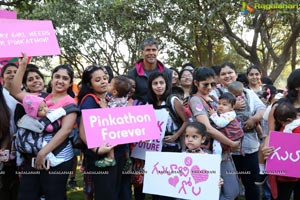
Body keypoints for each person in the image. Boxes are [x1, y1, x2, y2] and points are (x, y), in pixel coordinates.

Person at [11, 54, 78, 200]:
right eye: (57, 76)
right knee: (27, 195)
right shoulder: (41, 99)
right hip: (34, 158)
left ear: (70, 82)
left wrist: (43, 153)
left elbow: (65, 131)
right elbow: (15, 91)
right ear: (52, 78)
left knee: (54, 195)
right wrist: (22, 66)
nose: (60, 81)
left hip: (58, 158)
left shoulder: (70, 102)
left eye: (65, 78)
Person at [189, 66, 240, 200]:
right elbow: (207, 128)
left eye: (212, 84)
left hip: (223, 151)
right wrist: (231, 143)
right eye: (205, 84)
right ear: (196, 83)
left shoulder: (212, 96)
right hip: (208, 152)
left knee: (233, 191)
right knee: (212, 193)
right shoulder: (195, 100)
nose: (210, 87)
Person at [217, 62, 265, 200]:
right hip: (226, 150)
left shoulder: (248, 92)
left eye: (230, 72)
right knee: (228, 186)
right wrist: (231, 106)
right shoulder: (215, 93)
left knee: (251, 183)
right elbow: (212, 116)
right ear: (219, 77)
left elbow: (262, 109)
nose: (227, 76)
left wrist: (253, 119)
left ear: (236, 74)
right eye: (223, 74)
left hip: (249, 148)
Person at [78, 65, 126, 200]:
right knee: (105, 194)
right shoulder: (89, 100)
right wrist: (97, 150)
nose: (104, 81)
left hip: (118, 153)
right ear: (90, 84)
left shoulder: (111, 98)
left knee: (114, 192)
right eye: (98, 80)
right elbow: (83, 131)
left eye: (105, 78)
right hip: (101, 156)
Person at [148, 72, 188, 200]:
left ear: (167, 84)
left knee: (170, 189)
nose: (159, 86)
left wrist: (176, 135)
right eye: (155, 83)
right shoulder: (150, 102)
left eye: (161, 83)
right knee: (156, 189)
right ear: (151, 86)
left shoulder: (173, 100)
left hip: (172, 148)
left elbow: (186, 120)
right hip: (155, 149)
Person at [262, 69, 300, 200]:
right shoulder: (279, 106)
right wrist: (266, 149)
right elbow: (270, 134)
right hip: (285, 163)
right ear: (297, 86)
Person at [94, 75, 131, 168]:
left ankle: (111, 159)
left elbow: (110, 116)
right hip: (121, 129)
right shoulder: (122, 98)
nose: (108, 84)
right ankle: (127, 158)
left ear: (114, 92)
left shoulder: (116, 103)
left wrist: (104, 107)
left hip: (114, 128)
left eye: (110, 85)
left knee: (109, 141)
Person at [21, 94, 66, 167]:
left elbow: (41, 104)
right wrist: (58, 122)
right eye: (40, 110)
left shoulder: (41, 108)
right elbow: (50, 129)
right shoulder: (38, 120)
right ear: (34, 113)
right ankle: (53, 161)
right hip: (36, 138)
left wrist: (48, 103)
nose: (45, 109)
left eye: (45, 106)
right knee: (43, 146)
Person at [128, 38, 172, 104]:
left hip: (162, 110)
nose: (151, 53)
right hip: (140, 112)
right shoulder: (132, 73)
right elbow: (129, 97)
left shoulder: (167, 72)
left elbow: (170, 96)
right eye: (148, 50)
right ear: (142, 53)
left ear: (157, 52)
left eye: (154, 50)